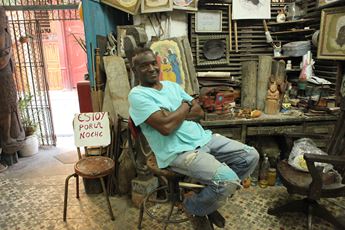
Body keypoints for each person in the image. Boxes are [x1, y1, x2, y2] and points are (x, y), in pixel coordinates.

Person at [128, 47, 259, 229]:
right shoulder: (137, 95)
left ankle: (206, 200)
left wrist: (172, 114)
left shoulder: (172, 86)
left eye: (153, 63)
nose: (151, 69)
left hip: (203, 138)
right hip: (178, 151)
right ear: (134, 71)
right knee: (227, 180)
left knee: (250, 156)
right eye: (143, 66)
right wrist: (184, 107)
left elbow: (199, 112)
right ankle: (192, 206)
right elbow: (166, 127)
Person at [0, 7, 24, 171]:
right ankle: (7, 137)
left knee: (10, 107)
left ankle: (9, 137)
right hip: (3, 78)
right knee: (6, 109)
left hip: (6, 77)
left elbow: (5, 57)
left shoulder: (5, 35)